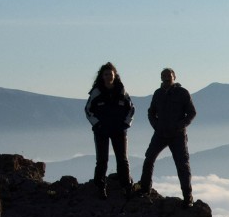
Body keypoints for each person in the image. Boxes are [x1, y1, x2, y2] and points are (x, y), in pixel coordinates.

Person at [139, 67, 197, 204]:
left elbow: (192, 113)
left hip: (178, 135)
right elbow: (151, 112)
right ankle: (144, 190)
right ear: (161, 78)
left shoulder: (183, 93)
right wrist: (156, 125)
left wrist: (180, 125)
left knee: (182, 165)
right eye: (164, 75)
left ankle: (188, 197)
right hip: (160, 133)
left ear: (174, 77)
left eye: (168, 75)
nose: (166, 77)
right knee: (149, 159)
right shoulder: (158, 94)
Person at [84, 61, 135, 197]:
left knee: (122, 159)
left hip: (119, 130)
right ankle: (100, 187)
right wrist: (97, 124)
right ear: (102, 76)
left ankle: (127, 186)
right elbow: (88, 110)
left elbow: (131, 109)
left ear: (115, 75)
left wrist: (126, 124)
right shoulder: (96, 92)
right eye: (105, 74)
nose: (108, 76)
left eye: (110, 74)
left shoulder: (121, 91)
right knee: (102, 159)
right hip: (101, 131)